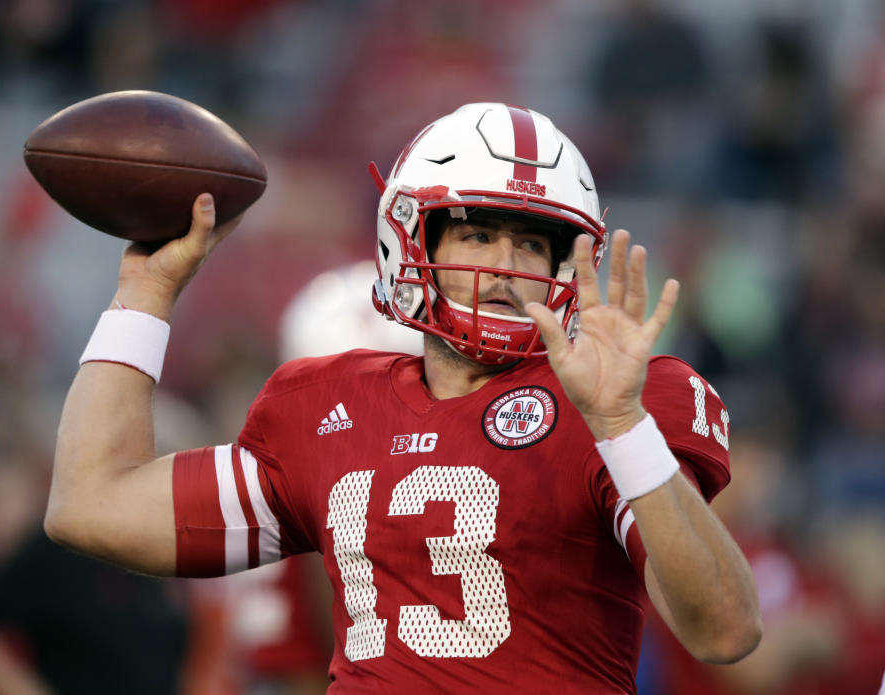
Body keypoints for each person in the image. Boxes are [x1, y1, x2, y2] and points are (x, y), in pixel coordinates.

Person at [45, 103, 762, 693]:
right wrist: (145, 294)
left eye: (532, 244)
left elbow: (724, 629)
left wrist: (621, 424)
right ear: (407, 239)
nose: (506, 268)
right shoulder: (323, 403)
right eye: (478, 234)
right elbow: (91, 504)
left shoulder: (621, 402)